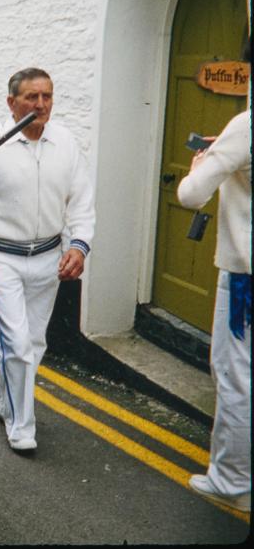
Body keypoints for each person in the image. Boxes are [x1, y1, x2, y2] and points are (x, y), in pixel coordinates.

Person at [0, 67, 95, 452]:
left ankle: (3, 398)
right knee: (16, 343)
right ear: (11, 102)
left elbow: (81, 202)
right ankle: (21, 425)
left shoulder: (65, 142)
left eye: (47, 96)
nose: (41, 104)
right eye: (31, 97)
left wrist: (79, 246)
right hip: (0, 259)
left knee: (34, 342)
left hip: (48, 259)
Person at [177, 107, 251, 513]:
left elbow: (191, 194)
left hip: (245, 276)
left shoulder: (245, 125)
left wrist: (200, 165)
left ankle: (233, 482)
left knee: (236, 374)